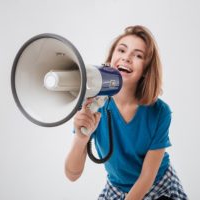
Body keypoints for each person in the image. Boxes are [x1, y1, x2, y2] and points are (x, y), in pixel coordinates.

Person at [65, 25, 188, 200]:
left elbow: (146, 178)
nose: (127, 58)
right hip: (116, 188)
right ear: (110, 59)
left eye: (138, 55)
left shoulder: (160, 112)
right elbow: (72, 174)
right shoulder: (93, 104)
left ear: (146, 70)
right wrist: (80, 139)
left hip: (158, 188)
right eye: (121, 50)